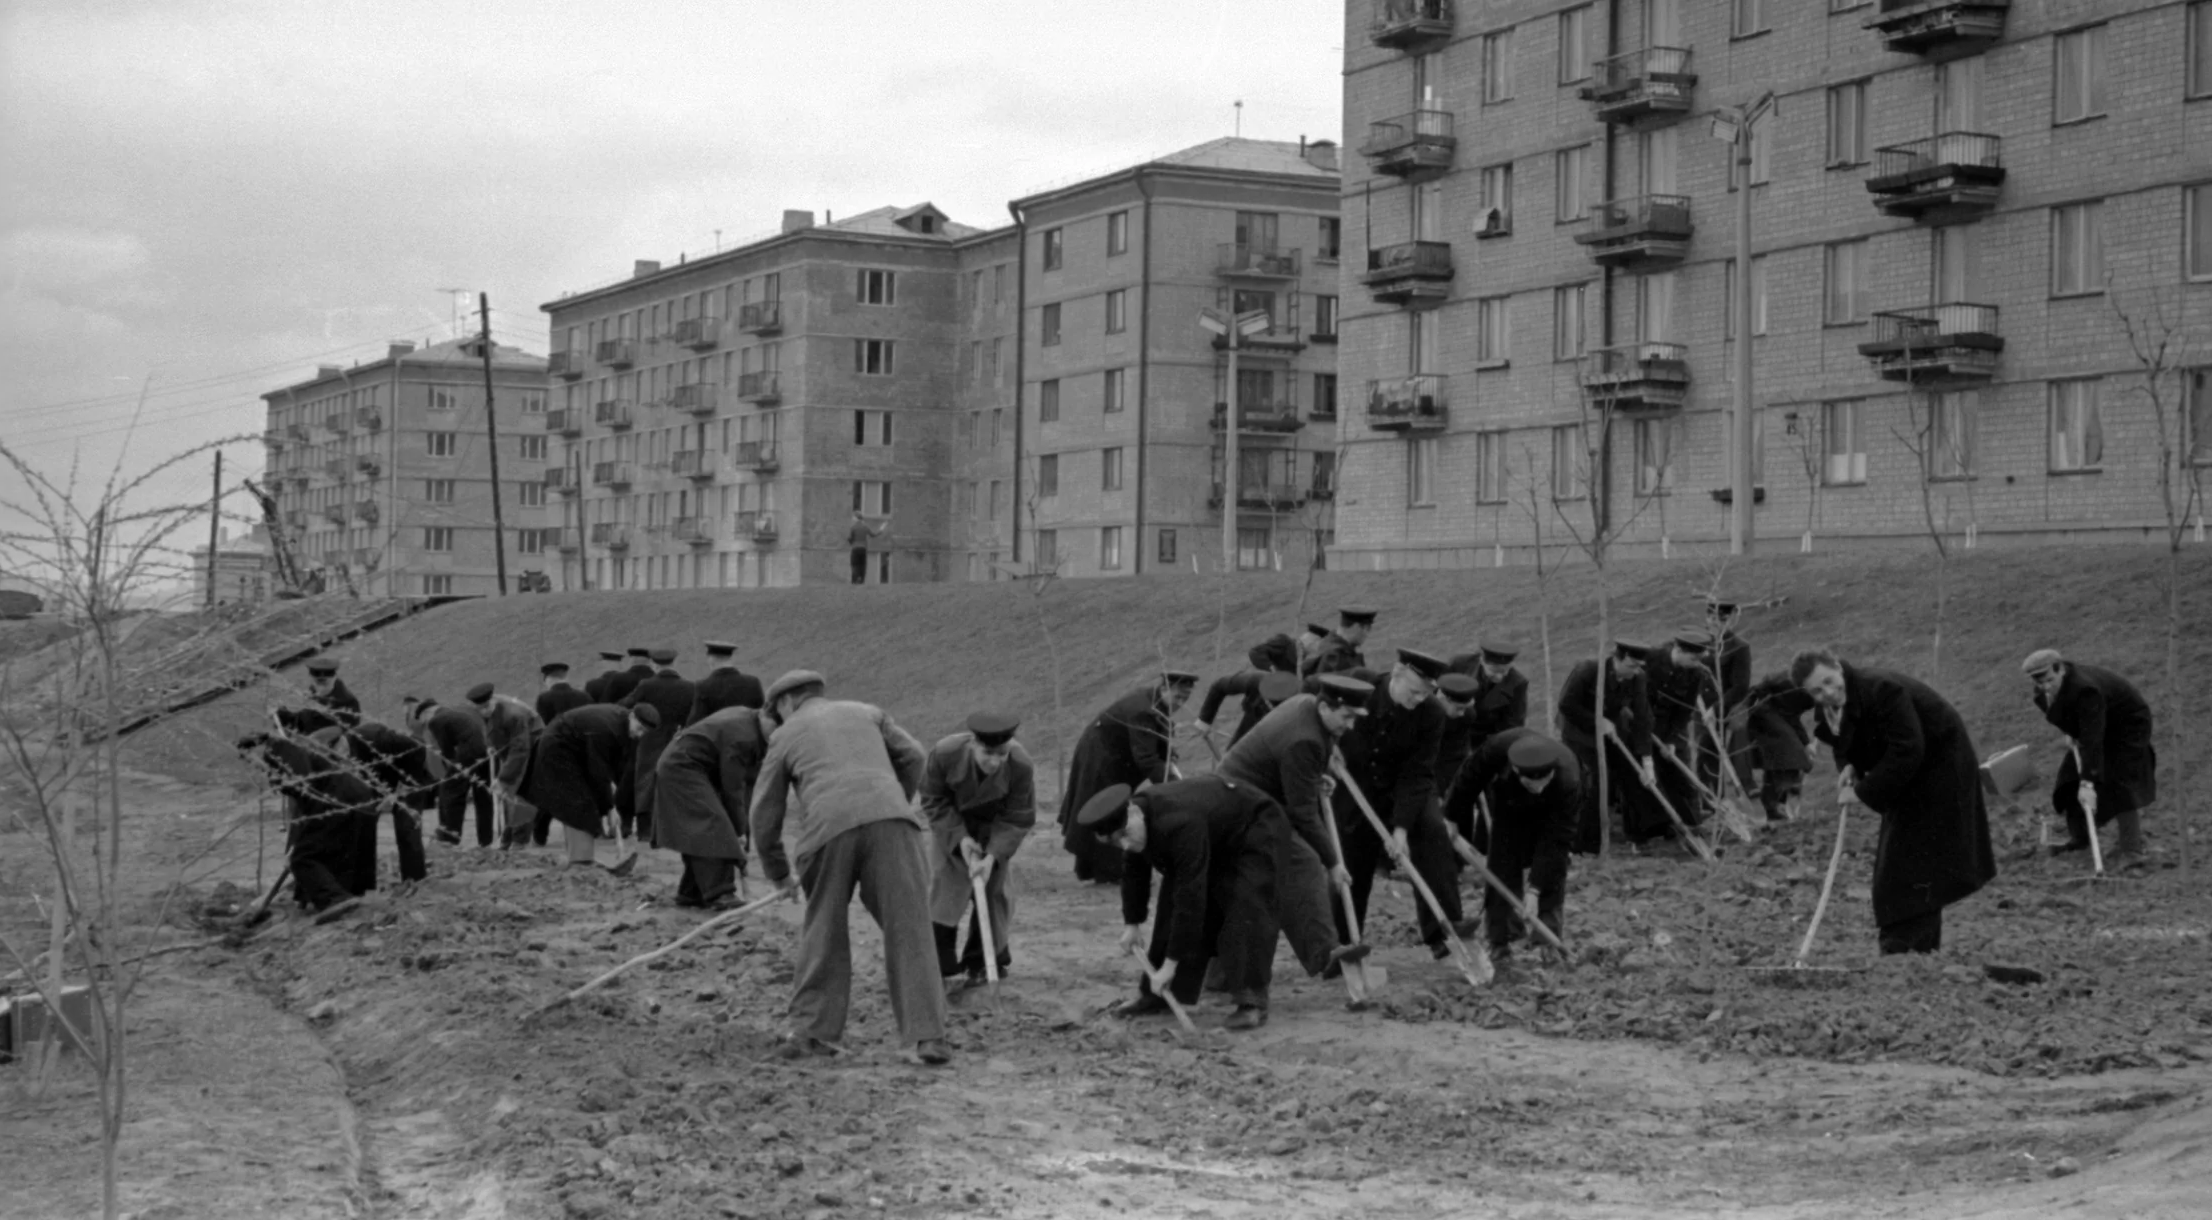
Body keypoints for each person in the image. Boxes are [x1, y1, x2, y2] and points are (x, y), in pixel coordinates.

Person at [750, 670, 947, 1065]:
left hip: (828, 831)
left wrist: (778, 872)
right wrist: (892, 799)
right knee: (910, 927)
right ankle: (929, 1037)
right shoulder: (867, 712)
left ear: (786, 702)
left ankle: (812, 1033)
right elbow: (915, 755)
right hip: (893, 823)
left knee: (824, 928)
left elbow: (764, 811)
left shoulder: (785, 735)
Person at [1793, 647, 1996, 954]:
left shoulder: (1882, 689)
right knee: (1905, 862)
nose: (1827, 693)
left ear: (1838, 667)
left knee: (1912, 862)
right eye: (1817, 691)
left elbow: (1908, 748)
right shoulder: (1832, 707)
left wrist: (1862, 791)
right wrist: (1849, 765)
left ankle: (1906, 949)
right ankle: (1912, 948)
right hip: (1909, 777)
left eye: (1829, 681)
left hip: (1941, 771)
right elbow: (1843, 741)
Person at [1083, 775, 1286, 1031]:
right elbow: (1135, 873)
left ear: (1134, 814)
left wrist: (1170, 965)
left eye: (1124, 835)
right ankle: (1158, 995)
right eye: (1114, 841)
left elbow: (1191, 897)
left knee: (1246, 905)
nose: (1124, 844)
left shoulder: (1178, 823)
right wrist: (1132, 924)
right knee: (1170, 905)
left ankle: (1252, 1001)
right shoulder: (1135, 824)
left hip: (1253, 827)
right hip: (1212, 831)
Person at [1215, 674, 1368, 999]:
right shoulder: (1304, 738)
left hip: (1256, 796)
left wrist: (1315, 776)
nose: (1351, 726)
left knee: (1262, 883)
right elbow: (1303, 814)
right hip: (1239, 805)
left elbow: (1295, 763)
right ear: (1326, 707)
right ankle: (1325, 955)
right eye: (1347, 717)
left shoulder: (1308, 705)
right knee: (1304, 864)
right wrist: (1333, 863)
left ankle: (1219, 972)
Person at [1329, 650, 1466, 958]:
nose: (1417, 699)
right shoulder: (1360, 686)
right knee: (1351, 858)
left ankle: (1444, 932)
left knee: (1432, 832)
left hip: (1404, 787)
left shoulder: (1432, 714)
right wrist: (1326, 744)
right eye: (1413, 691)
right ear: (1396, 672)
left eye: (1425, 694)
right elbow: (1315, 698)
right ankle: (1342, 944)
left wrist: (1401, 829)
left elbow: (1417, 773)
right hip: (1356, 784)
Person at [1445, 729, 1581, 964]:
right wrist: (1451, 817)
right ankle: (1501, 940)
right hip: (1510, 802)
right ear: (1516, 770)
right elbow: (1468, 780)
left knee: (1553, 868)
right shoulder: (1496, 750)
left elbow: (1557, 841)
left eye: (1543, 782)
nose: (1538, 789)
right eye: (1532, 784)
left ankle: (1547, 940)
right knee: (1502, 861)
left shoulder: (1568, 778)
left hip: (1554, 809)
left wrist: (1534, 890)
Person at [921, 712, 1036, 984]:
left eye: (1002, 754)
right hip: (952, 826)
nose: (995, 762)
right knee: (946, 888)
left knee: (995, 892)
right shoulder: (945, 753)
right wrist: (960, 838)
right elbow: (933, 798)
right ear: (973, 744)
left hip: (995, 830)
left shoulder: (1020, 765)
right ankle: (941, 964)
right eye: (988, 753)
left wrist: (993, 856)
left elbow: (1018, 816)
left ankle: (984, 962)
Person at [1056, 671, 1195, 884]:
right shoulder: (1143, 711)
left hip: (1115, 754)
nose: (1180, 703)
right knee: (1106, 807)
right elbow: (1147, 758)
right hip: (1102, 755)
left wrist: (1168, 754)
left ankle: (1092, 870)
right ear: (1164, 689)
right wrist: (1174, 788)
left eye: (1185, 698)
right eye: (1177, 697)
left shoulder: (1155, 703)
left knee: (1108, 807)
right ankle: (1112, 872)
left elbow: (1154, 737)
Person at [2023, 649, 2155, 861]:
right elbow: (2068, 716)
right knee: (2069, 781)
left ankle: (2131, 849)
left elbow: (2092, 740)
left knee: (2121, 783)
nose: (2045, 686)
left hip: (2126, 726)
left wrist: (2087, 784)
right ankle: (2080, 838)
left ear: (2061, 669)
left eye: (2049, 680)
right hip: (2095, 722)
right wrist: (2070, 731)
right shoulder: (2043, 693)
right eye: (2040, 683)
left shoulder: (2085, 690)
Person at [236, 733, 378, 910]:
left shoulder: (281, 749)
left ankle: (335, 899)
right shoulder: (283, 754)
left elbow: (305, 788)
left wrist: (299, 841)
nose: (253, 766)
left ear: (257, 747)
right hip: (352, 796)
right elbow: (305, 798)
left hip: (338, 799)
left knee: (302, 857)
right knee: (335, 849)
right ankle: (348, 897)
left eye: (249, 759)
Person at [654, 705, 768, 908]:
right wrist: (739, 830)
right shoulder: (744, 737)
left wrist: (743, 829)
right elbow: (733, 788)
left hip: (693, 766)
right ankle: (721, 892)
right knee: (712, 823)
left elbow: (746, 785)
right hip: (682, 766)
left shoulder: (752, 725)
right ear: (767, 719)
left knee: (706, 826)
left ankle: (692, 892)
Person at [1559, 641, 1660, 853]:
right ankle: (1584, 845)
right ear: (1617, 659)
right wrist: (1596, 721)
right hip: (1579, 731)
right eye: (1631, 666)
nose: (1635, 671)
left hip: (1613, 728)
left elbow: (1642, 717)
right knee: (1593, 781)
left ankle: (1638, 837)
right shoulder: (1588, 670)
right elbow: (1567, 705)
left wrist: (1647, 761)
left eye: (1639, 667)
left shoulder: (1637, 677)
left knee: (1634, 775)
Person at [521, 702, 647, 867]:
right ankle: (581, 861)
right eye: (639, 728)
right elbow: (599, 770)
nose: (640, 734)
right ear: (632, 716)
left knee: (584, 803)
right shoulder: (606, 729)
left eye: (644, 732)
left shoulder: (623, 726)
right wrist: (609, 807)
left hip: (577, 751)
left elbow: (616, 766)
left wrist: (614, 803)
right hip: (558, 749)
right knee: (579, 804)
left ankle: (580, 858)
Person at [1643, 632, 1719, 832]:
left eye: (1699, 659)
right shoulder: (1650, 659)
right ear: (1678, 650)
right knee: (1650, 775)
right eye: (1693, 658)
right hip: (1640, 723)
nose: (1696, 663)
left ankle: (1693, 822)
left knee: (1681, 773)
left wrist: (1671, 740)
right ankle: (1662, 827)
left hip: (1671, 725)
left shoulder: (1696, 673)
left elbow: (1685, 709)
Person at [621, 648, 695, 842]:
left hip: (649, 740)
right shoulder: (689, 687)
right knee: (674, 782)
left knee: (645, 782)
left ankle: (645, 830)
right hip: (676, 740)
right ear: (674, 663)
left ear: (654, 664)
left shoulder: (646, 685)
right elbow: (692, 717)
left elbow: (627, 704)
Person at [466, 683, 544, 848]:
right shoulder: (485, 709)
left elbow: (520, 749)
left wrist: (504, 778)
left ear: (493, 700)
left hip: (532, 745)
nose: (484, 711)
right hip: (512, 747)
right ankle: (507, 837)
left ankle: (519, 841)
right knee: (509, 793)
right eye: (480, 709)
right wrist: (491, 745)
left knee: (521, 791)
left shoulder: (513, 715)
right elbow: (490, 727)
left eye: (486, 707)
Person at [412, 697, 496, 848]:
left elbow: (446, 749)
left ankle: (450, 837)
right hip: (482, 753)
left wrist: (449, 768)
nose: (425, 725)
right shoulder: (451, 714)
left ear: (426, 713)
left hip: (466, 754)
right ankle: (486, 840)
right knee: (483, 796)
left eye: (423, 721)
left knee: (450, 793)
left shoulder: (435, 720)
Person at [1196, 634, 1300, 748]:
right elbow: (1220, 685)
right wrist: (1204, 721)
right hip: (1256, 716)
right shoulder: (1259, 680)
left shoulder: (1305, 694)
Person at [1742, 671, 1815, 821]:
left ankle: (1774, 806)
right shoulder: (1796, 686)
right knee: (1788, 756)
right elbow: (1762, 687)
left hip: (1771, 716)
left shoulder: (1808, 695)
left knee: (1779, 762)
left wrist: (1807, 743)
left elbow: (1792, 717)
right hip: (1762, 713)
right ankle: (1779, 800)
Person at [1445, 643, 1528, 758]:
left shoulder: (1518, 684)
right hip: (1450, 730)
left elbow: (1513, 725)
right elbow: (1439, 694)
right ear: (1482, 662)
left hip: (1483, 740)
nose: (1499, 677)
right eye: (1494, 671)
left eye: (1504, 671)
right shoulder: (1459, 664)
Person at [687, 640, 766, 725]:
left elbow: (695, 722)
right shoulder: (753, 682)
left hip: (718, 733)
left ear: (711, 660)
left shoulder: (703, 687)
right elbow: (762, 714)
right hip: (748, 731)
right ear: (730, 659)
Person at [1313, 607, 1377, 675]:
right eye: (1367, 628)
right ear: (1356, 627)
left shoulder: (1328, 643)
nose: (1367, 634)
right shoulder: (1338, 657)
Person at [306, 658, 361, 729]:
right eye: (316, 673)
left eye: (327, 673)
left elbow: (351, 726)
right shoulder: (312, 690)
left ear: (334, 676)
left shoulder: (347, 700)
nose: (322, 676)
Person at [848, 512, 890, 584]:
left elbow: (850, 538)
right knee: (862, 565)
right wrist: (882, 528)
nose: (853, 519)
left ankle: (854, 580)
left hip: (855, 548)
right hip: (863, 549)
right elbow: (873, 535)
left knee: (854, 565)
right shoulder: (865, 527)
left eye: (853, 517)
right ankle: (861, 580)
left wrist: (851, 542)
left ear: (856, 518)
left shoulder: (853, 527)